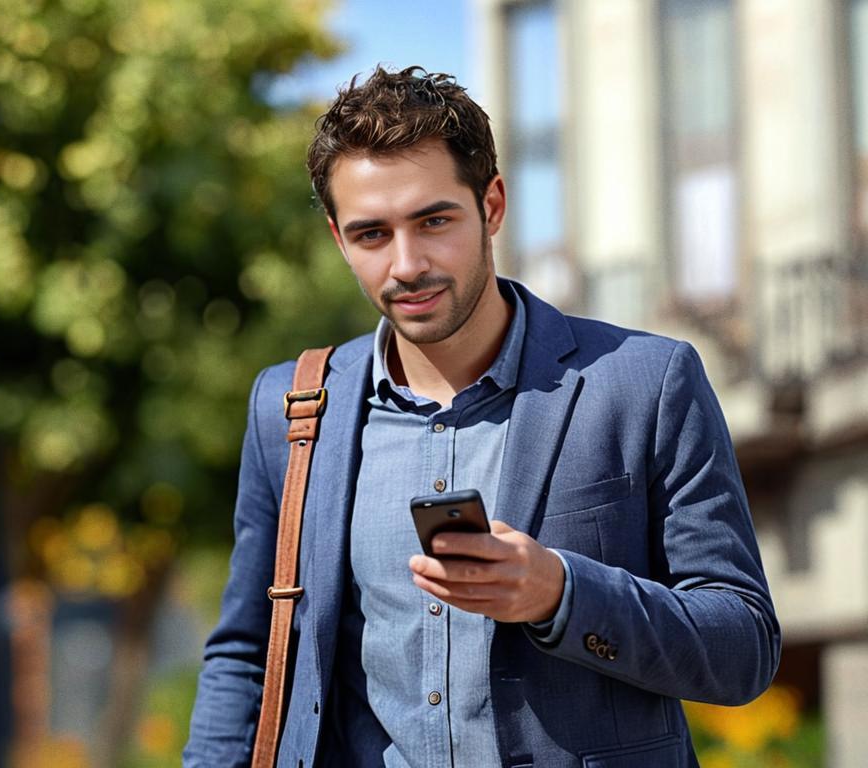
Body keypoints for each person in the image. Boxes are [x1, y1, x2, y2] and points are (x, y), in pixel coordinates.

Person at [182, 66, 780, 768]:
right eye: (371, 234)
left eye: (434, 221)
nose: (407, 264)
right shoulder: (292, 410)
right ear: (340, 240)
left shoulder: (645, 383)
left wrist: (559, 591)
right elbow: (249, 653)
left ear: (492, 205)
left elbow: (743, 648)